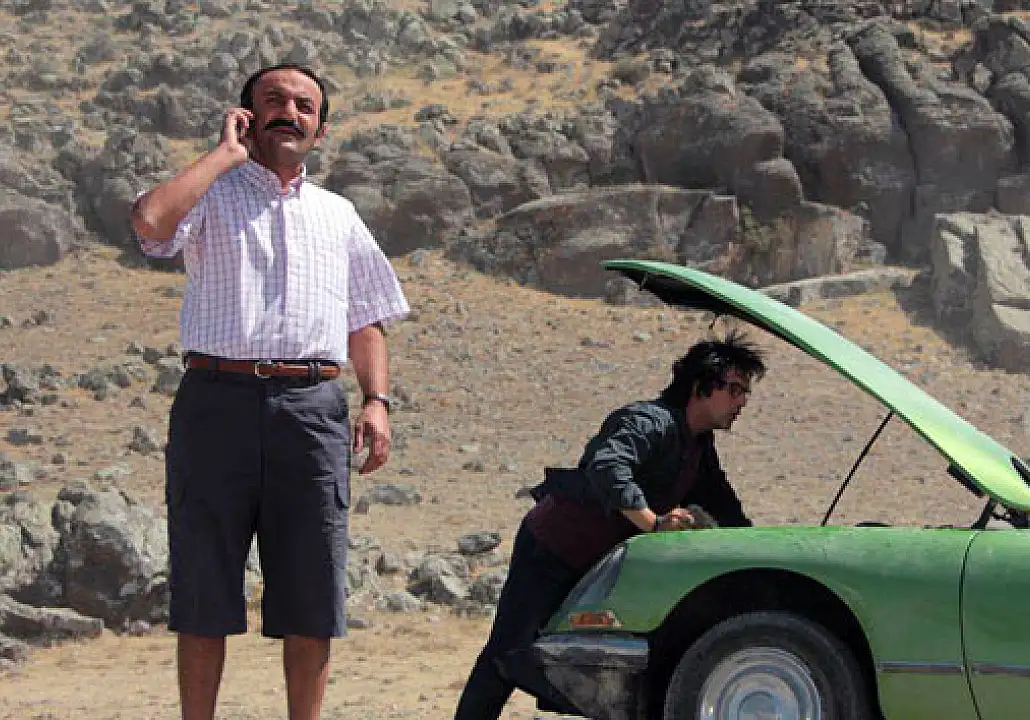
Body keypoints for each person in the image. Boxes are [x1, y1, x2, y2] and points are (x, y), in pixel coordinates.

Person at [130, 63, 410, 720]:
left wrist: (376, 401)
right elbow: (150, 224)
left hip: (312, 412)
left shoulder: (338, 215)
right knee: (203, 591)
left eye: (305, 105)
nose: (290, 112)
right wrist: (224, 156)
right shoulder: (211, 194)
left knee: (313, 596)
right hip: (215, 403)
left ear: (320, 127)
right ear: (246, 116)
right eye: (274, 100)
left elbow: (365, 319)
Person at [454, 329, 767, 719]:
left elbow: (724, 506)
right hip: (552, 547)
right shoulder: (648, 422)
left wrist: (763, 554)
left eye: (745, 393)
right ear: (700, 386)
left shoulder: (699, 447)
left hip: (604, 563)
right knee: (507, 654)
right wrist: (654, 524)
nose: (742, 402)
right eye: (734, 390)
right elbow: (607, 466)